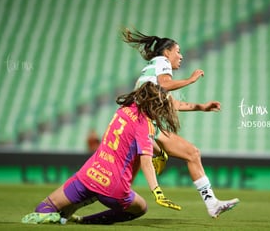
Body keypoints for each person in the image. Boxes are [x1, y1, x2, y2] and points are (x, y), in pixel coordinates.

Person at [21, 82, 181, 225]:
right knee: (141, 208)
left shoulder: (124, 109)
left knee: (43, 208)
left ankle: (58, 217)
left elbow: (144, 140)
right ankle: (85, 221)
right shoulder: (145, 125)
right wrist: (157, 191)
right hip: (114, 187)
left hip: (89, 174)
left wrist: (161, 153)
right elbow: (146, 162)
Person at [122, 28, 239, 218]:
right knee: (121, 181)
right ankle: (77, 200)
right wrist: (190, 80)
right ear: (167, 52)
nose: (181, 56)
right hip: (139, 125)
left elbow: (171, 103)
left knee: (192, 153)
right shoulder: (162, 62)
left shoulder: (153, 67)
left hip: (144, 124)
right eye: (178, 51)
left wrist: (200, 107)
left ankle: (212, 204)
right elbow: (165, 84)